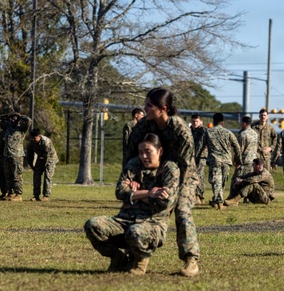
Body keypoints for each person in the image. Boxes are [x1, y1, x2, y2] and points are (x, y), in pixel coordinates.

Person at [123, 88, 200, 277]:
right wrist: (131, 180)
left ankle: (191, 260)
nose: (145, 108)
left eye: (149, 105)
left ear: (163, 109)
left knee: (182, 210)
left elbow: (186, 165)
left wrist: (173, 192)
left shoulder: (180, 129)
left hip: (183, 176)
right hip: (151, 175)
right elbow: (130, 155)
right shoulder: (143, 126)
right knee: (136, 208)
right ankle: (136, 256)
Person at [85, 133, 178, 275]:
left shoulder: (169, 169)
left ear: (160, 151)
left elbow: (163, 202)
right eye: (141, 152)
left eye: (148, 152)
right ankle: (118, 258)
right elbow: (120, 191)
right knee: (93, 225)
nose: (144, 156)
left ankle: (140, 260)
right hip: (124, 220)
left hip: (152, 224)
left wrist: (135, 193)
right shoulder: (134, 164)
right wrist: (148, 193)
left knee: (135, 231)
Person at [202, 112, 241, 208]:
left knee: (216, 181)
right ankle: (218, 200)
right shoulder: (228, 132)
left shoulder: (208, 132)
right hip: (227, 161)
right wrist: (238, 160)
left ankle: (218, 201)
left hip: (215, 160)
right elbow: (237, 146)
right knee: (222, 182)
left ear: (213, 121)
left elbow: (201, 146)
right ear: (222, 122)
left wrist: (197, 157)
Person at [0, 110, 31, 201]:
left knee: (17, 175)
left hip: (17, 156)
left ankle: (18, 194)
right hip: (7, 155)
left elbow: (29, 121)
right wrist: (7, 115)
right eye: (11, 119)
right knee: (8, 175)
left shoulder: (21, 129)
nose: (13, 120)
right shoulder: (8, 127)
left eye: (14, 119)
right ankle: (10, 192)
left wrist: (20, 116)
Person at [24, 126, 58, 201]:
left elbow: (47, 157)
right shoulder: (31, 143)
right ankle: (36, 195)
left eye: (35, 138)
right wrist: (32, 166)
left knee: (47, 176)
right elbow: (29, 156)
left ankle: (46, 195)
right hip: (40, 157)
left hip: (50, 158)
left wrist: (43, 166)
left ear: (39, 136)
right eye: (32, 138)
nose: (33, 139)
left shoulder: (46, 142)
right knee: (36, 175)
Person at [189, 113, 208, 203]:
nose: (195, 123)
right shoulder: (189, 130)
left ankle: (199, 195)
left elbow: (202, 144)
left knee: (199, 175)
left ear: (201, 122)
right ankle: (195, 194)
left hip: (201, 156)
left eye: (197, 121)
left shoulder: (204, 130)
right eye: (193, 121)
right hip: (191, 156)